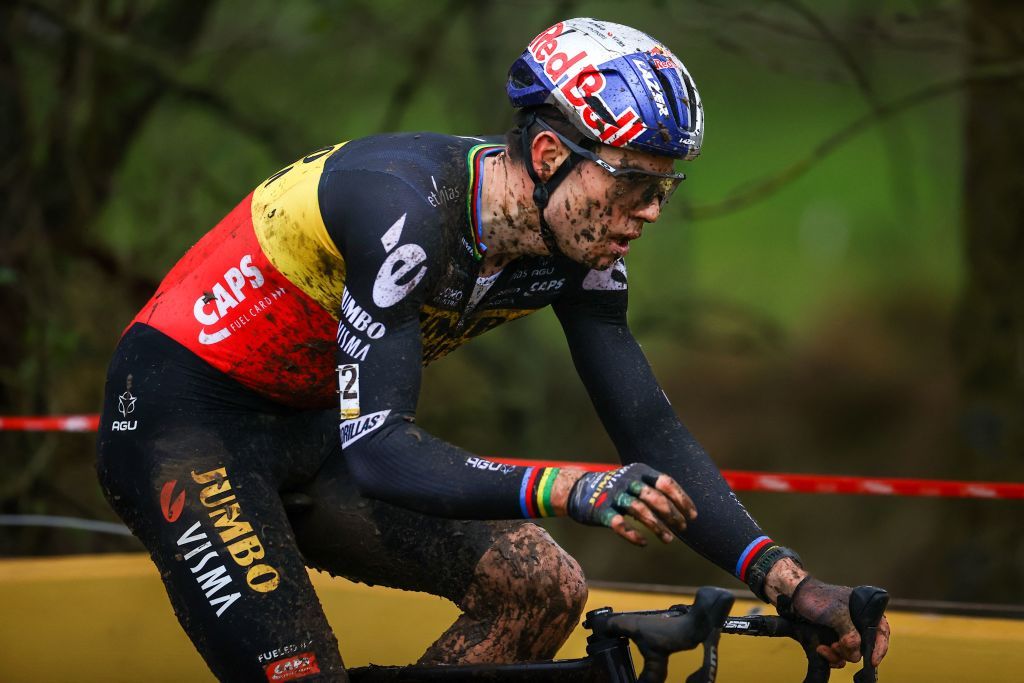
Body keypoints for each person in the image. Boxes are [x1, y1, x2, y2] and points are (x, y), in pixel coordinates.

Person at [96, 17, 890, 682]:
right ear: (550, 157)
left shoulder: (575, 245)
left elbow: (650, 429)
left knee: (541, 587)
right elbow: (380, 448)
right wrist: (566, 486)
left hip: (313, 427)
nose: (648, 213)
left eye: (664, 189)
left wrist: (789, 582)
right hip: (185, 426)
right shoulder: (402, 208)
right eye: (632, 185)